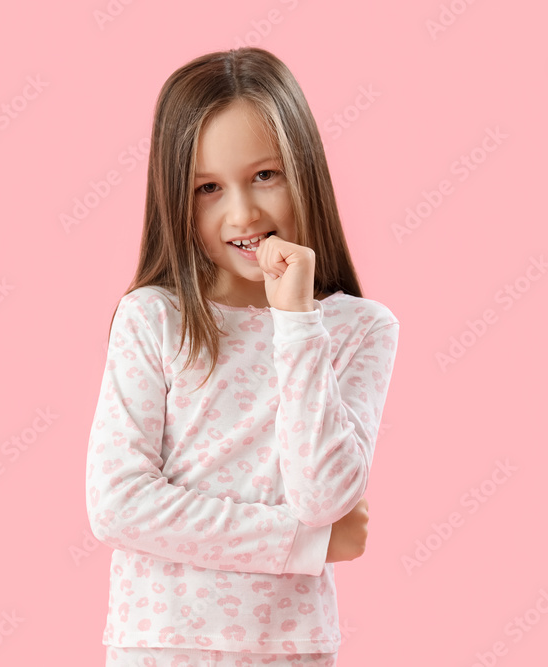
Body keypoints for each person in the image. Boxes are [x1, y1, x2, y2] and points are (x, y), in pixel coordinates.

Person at [84, 47, 400, 667]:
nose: (243, 213)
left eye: (265, 175)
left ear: (305, 169)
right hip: (161, 643)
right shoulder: (154, 316)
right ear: (176, 197)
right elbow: (118, 504)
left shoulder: (359, 329)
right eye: (208, 188)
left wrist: (296, 321)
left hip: (291, 647)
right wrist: (305, 544)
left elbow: (325, 498)